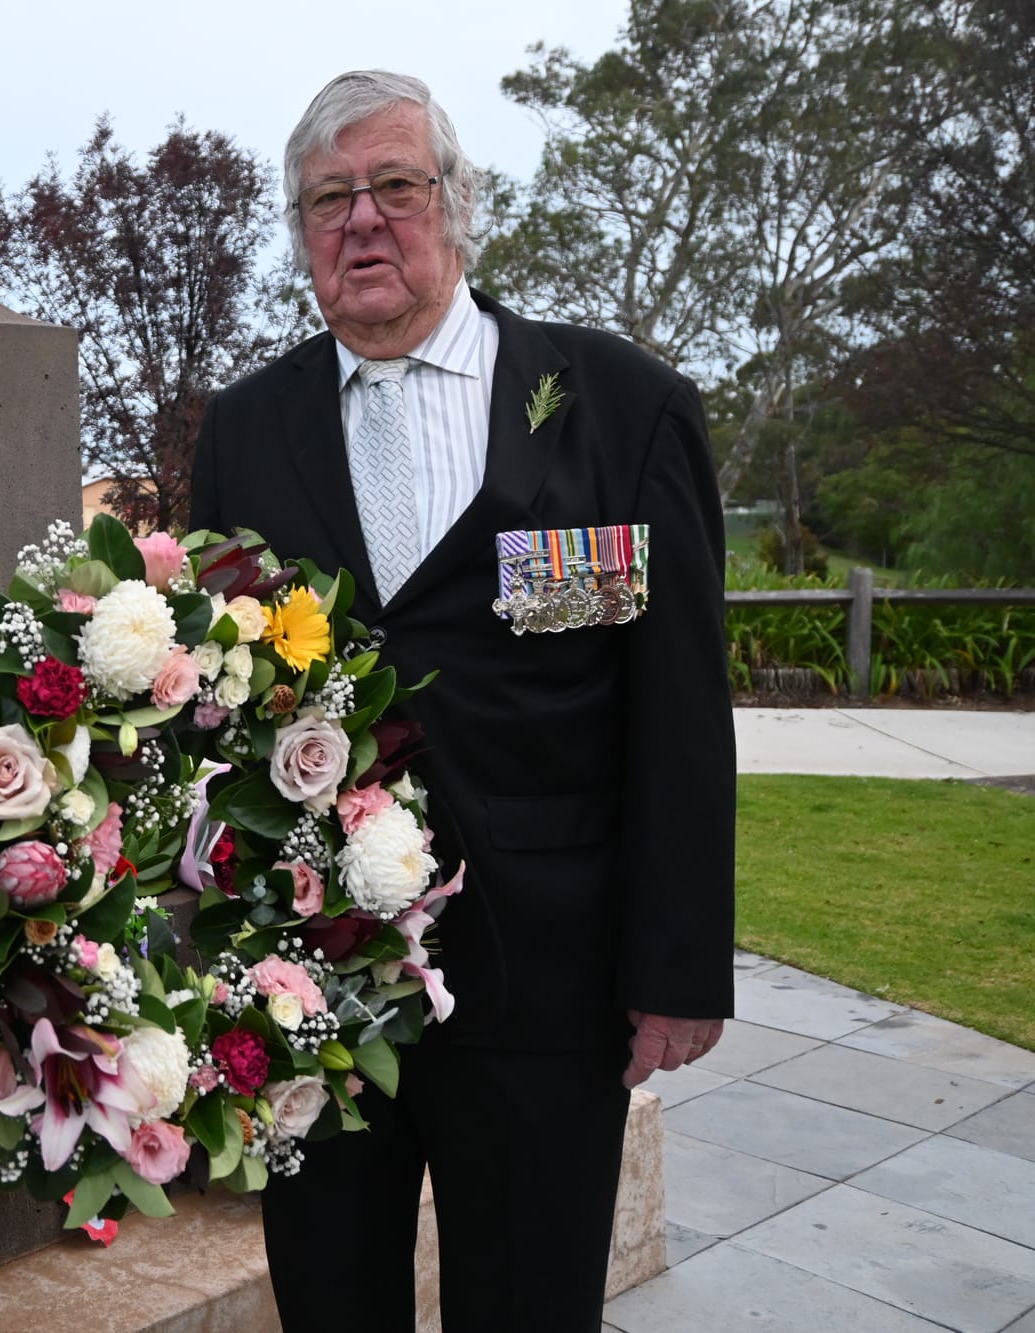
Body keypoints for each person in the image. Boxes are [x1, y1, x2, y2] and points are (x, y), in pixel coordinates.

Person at [189, 71, 735, 1331]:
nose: (362, 221)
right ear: (301, 233)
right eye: (328, 199)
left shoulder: (616, 406)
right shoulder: (248, 427)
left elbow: (675, 710)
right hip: (313, 986)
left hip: (544, 977)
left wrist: (677, 960)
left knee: (529, 1306)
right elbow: (215, 698)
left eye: (394, 186)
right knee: (329, 1302)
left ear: (457, 204)